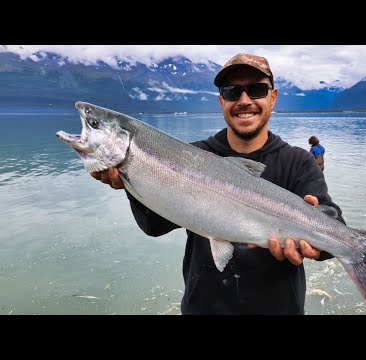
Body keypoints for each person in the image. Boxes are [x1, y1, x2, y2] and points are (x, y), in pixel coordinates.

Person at [90, 53, 345, 315]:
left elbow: (336, 231)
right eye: (232, 91)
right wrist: (132, 180)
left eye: (256, 89)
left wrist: (315, 244)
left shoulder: (298, 161)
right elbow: (154, 226)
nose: (244, 101)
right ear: (221, 100)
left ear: (273, 96)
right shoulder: (191, 156)